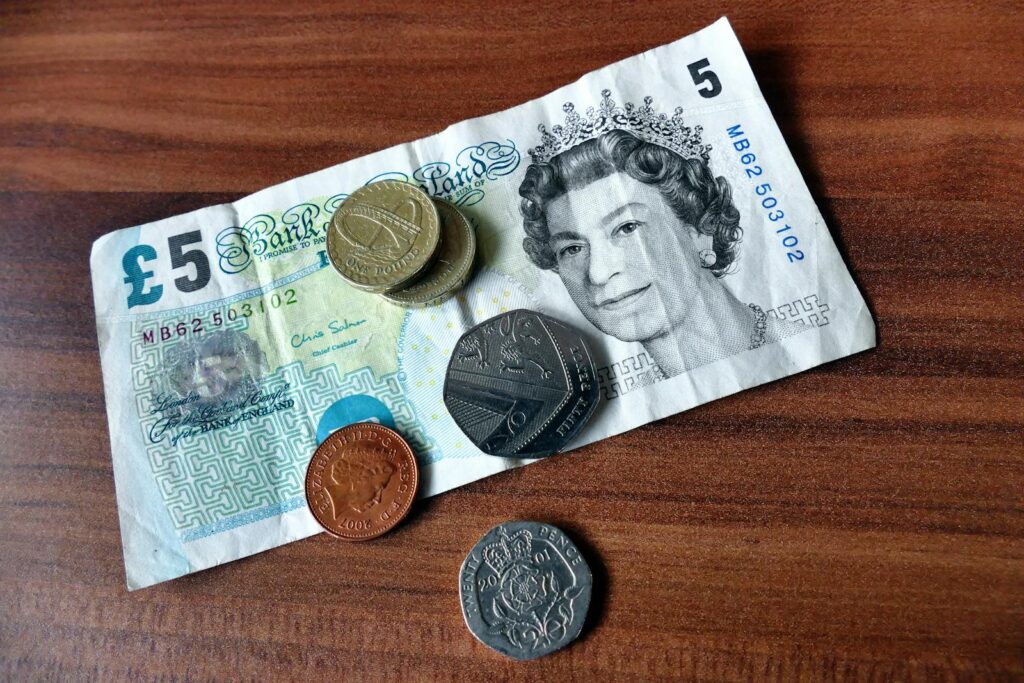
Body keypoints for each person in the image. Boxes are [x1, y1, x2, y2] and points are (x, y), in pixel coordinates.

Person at [519, 126, 801, 378]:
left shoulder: (803, 348)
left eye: (627, 228)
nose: (598, 273)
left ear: (700, 232)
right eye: (572, 249)